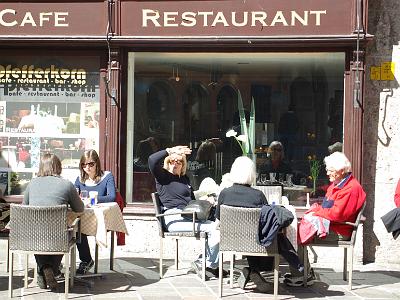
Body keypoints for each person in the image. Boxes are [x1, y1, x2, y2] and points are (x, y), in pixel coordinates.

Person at [215, 156, 303, 293]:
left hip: (231, 241)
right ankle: (256, 271)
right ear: (252, 174)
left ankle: (252, 271)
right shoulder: (257, 195)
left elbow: (220, 218)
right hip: (257, 244)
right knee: (272, 235)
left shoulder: (224, 194)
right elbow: (266, 221)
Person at [284, 151, 366, 287]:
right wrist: (317, 197)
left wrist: (317, 210)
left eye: (330, 170)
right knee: (296, 230)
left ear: (340, 170)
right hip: (333, 226)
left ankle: (301, 275)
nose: (327, 173)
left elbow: (337, 214)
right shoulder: (340, 184)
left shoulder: (351, 189)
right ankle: (305, 272)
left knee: (294, 233)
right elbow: (330, 201)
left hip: (339, 231)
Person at [148, 145, 223, 278]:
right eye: (172, 160)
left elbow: (191, 201)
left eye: (179, 161)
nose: (175, 163)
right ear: (167, 162)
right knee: (213, 229)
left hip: (188, 215)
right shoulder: (163, 176)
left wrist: (206, 200)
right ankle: (206, 264)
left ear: (183, 165)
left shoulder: (184, 179)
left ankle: (206, 263)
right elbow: (152, 160)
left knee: (217, 226)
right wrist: (170, 150)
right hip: (173, 217)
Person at [23, 153, 84, 291]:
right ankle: (50, 268)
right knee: (65, 234)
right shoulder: (67, 184)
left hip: (33, 237)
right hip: (58, 236)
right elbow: (79, 209)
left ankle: (43, 268)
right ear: (58, 167)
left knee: (38, 235)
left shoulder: (31, 183)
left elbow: (24, 208)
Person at [74, 149, 116, 274]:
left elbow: (111, 196)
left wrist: (94, 199)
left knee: (78, 227)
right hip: (84, 216)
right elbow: (74, 195)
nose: (87, 167)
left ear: (97, 163)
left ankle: (86, 261)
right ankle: (86, 260)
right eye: (84, 164)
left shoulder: (107, 176)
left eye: (91, 164)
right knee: (74, 226)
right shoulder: (80, 179)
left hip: (101, 217)